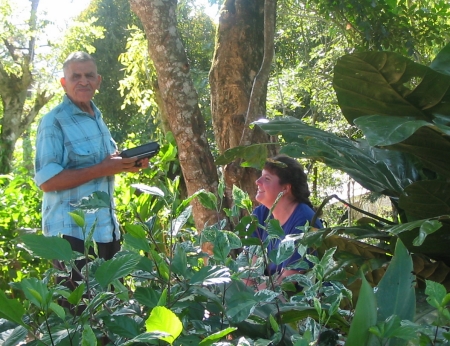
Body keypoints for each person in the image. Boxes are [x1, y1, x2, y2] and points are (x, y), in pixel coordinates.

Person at [34, 51, 148, 295]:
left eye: (89, 75)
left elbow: (103, 165)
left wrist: (125, 163)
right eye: (76, 76)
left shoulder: (97, 116)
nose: (83, 81)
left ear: (98, 81)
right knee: (81, 315)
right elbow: (47, 181)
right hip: (72, 237)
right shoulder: (53, 121)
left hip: (106, 231)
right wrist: (103, 168)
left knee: (109, 315)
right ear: (64, 82)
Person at [243, 154, 323, 290]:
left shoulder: (304, 220)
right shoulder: (260, 214)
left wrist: (250, 299)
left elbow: (289, 280)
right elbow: (251, 268)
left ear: (285, 188)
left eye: (266, 179)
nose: (257, 181)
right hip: (266, 295)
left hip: (297, 303)